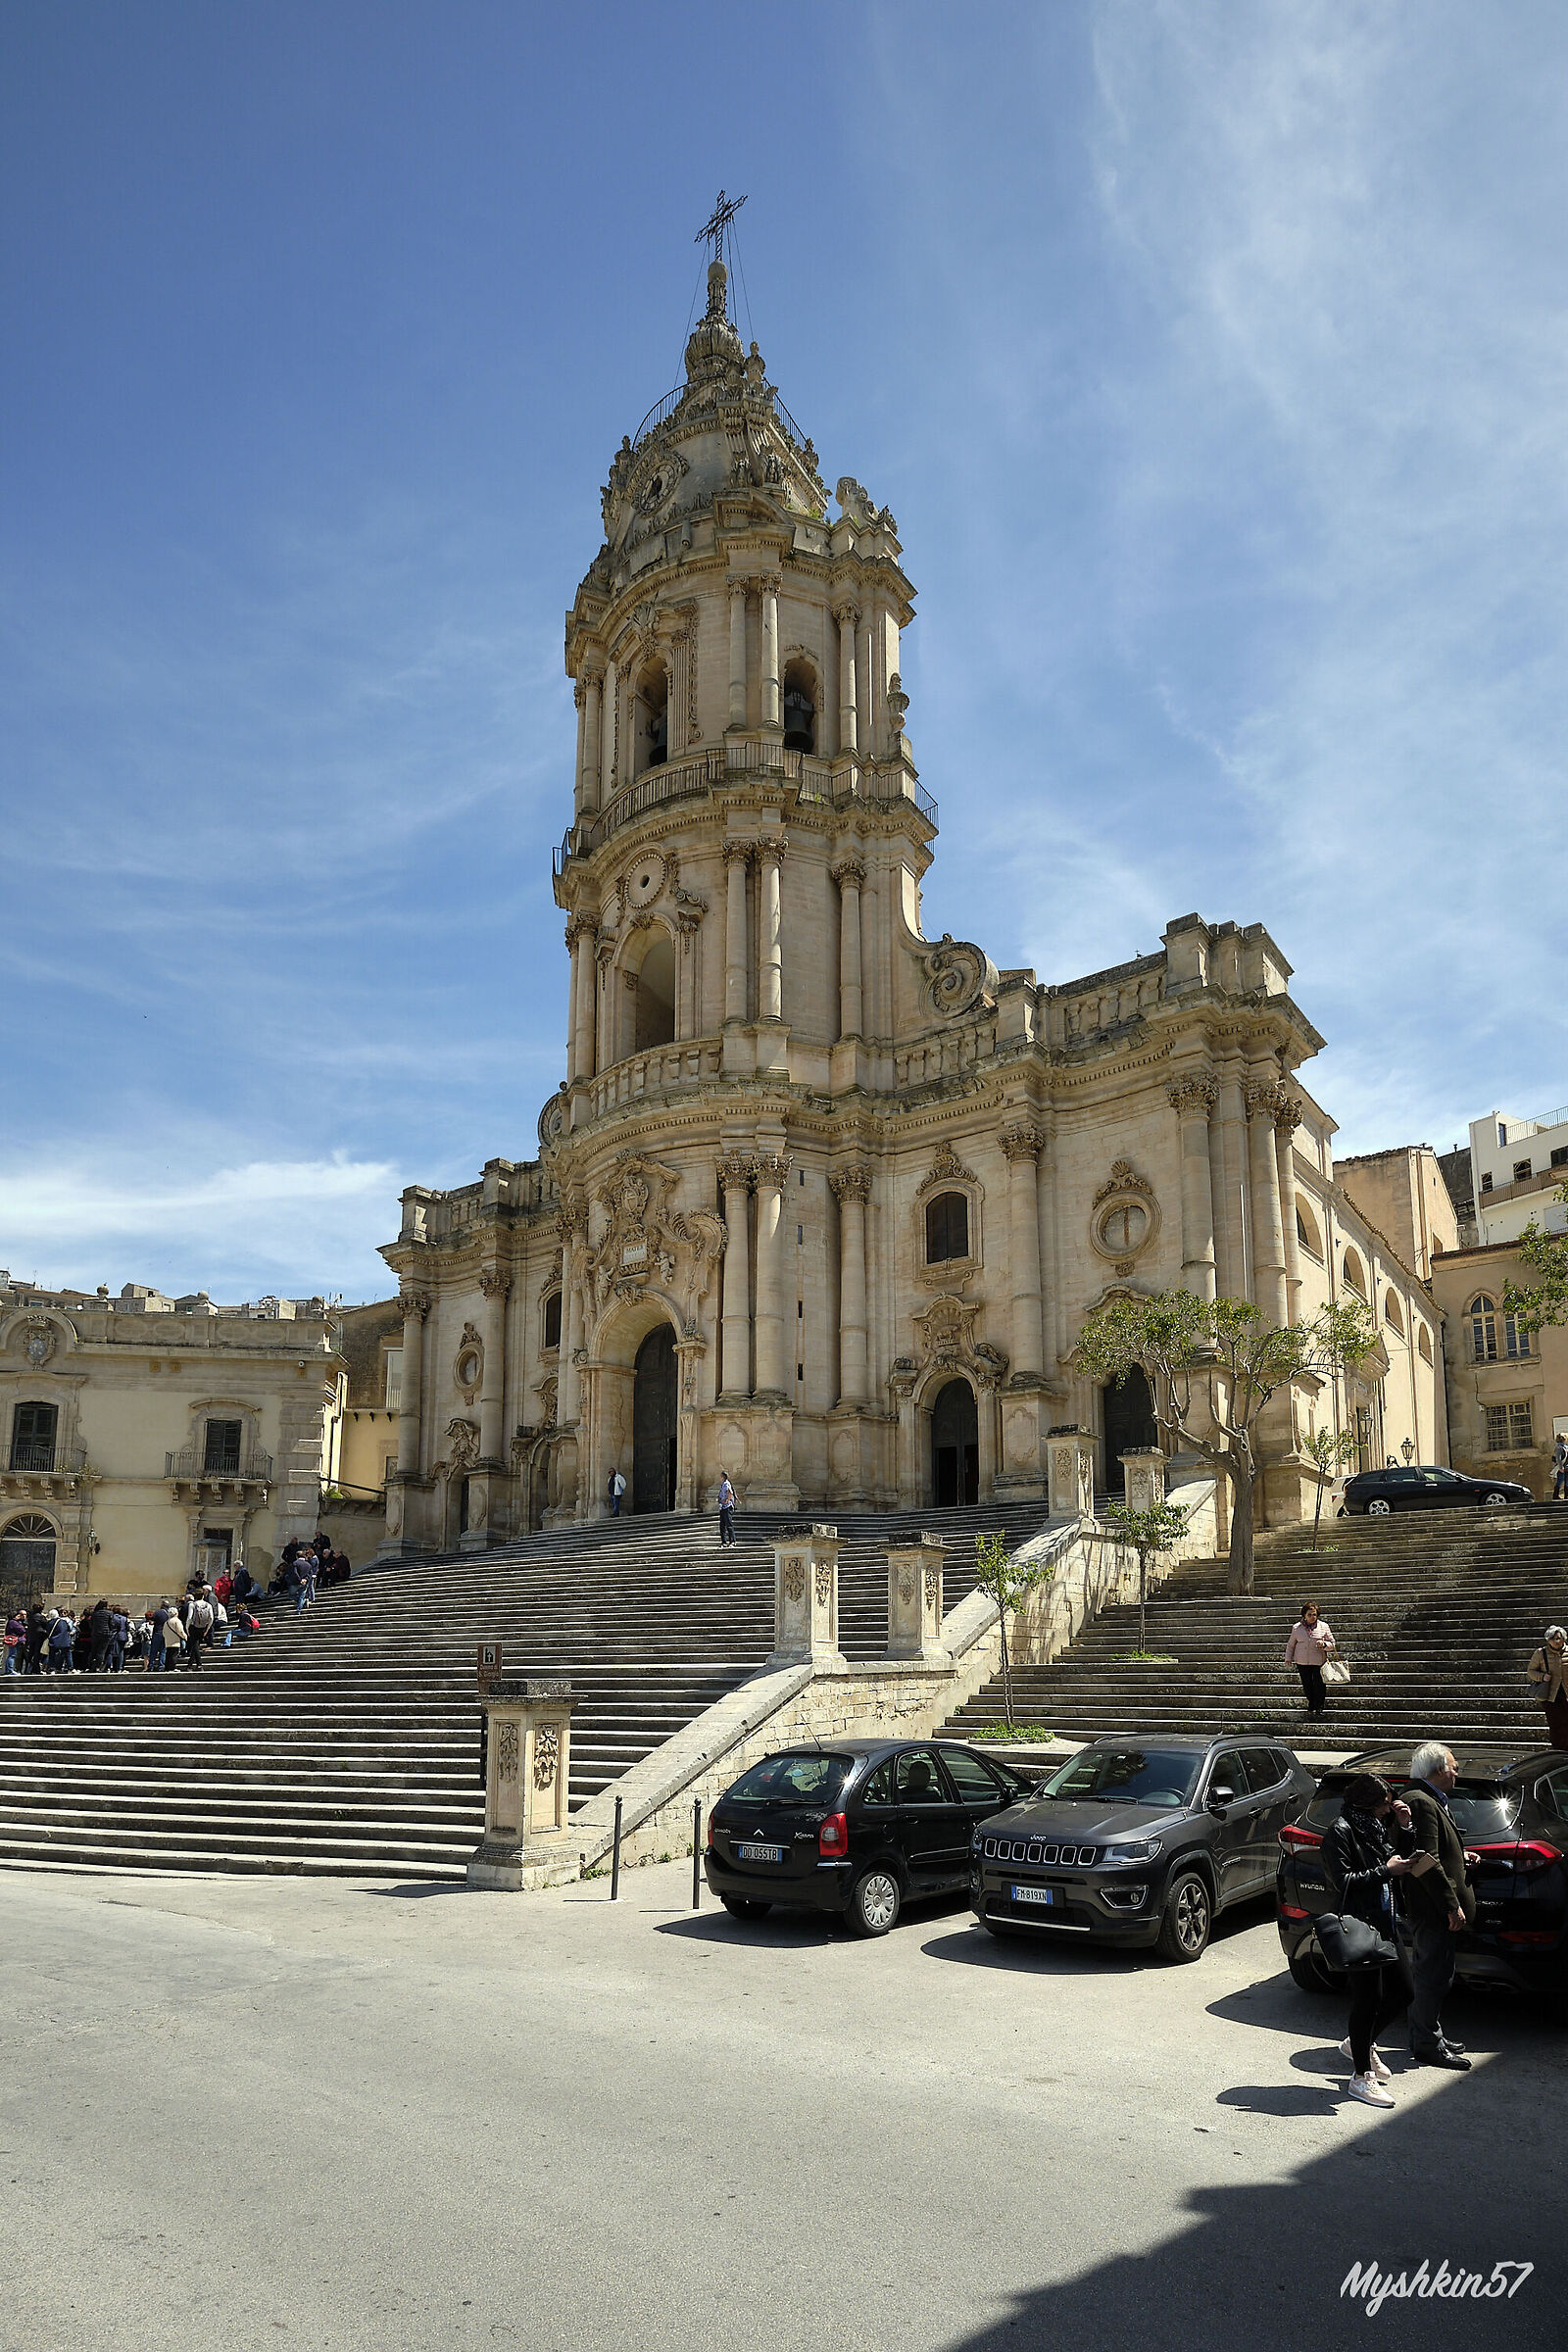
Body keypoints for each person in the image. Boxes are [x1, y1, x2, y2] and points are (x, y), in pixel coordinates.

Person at [1322, 1771, 1417, 2109]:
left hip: (1385, 1923)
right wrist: (1385, 1871)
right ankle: (1361, 2077)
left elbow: (1396, 1861)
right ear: (1368, 1803)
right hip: (1358, 1925)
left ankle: (1359, 2044)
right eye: (1386, 1804)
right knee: (1368, 2000)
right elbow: (1343, 1881)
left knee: (1404, 1991)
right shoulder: (1340, 1831)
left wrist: (1405, 1829)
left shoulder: (1373, 1828)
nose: (1389, 1809)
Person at [1400, 1742, 1475, 2071]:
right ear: (1440, 1769)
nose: (1458, 1772)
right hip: (1432, 1908)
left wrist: (1462, 1857)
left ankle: (1430, 2036)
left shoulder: (1425, 1798)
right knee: (1433, 1977)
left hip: (1431, 1906)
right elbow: (1424, 1861)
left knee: (1434, 1974)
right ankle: (1427, 2044)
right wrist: (1450, 1905)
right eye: (1454, 1766)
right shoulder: (1422, 1801)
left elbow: (1436, 1851)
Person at [1283, 1601, 1337, 1719]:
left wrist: (1324, 1644)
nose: (1313, 1617)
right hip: (1302, 1661)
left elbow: (1333, 1644)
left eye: (1315, 1615)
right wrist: (1288, 1657)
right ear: (1304, 1615)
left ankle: (1319, 1706)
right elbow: (1291, 1644)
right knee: (1307, 1685)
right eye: (1310, 1615)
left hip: (1318, 1660)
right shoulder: (1297, 1628)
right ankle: (1311, 1702)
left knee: (1319, 1684)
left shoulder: (1323, 1626)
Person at [1527, 1626, 1568, 1751]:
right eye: (1551, 1639)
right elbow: (1531, 1671)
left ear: (1563, 1639)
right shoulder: (1540, 1653)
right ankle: (1559, 1751)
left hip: (1566, 1693)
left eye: (1558, 1638)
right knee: (1556, 1725)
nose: (1555, 1641)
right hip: (1551, 1696)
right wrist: (1542, 1677)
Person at [47, 1610, 75, 1674]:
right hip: (64, 1641)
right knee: (67, 1654)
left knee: (52, 1655)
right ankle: (70, 1668)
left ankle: (52, 1669)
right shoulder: (63, 1622)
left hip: (54, 1641)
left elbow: (48, 1631)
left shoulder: (50, 1623)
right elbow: (69, 1629)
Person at [716, 1471, 736, 1548]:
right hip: (723, 1507)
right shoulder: (723, 1484)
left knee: (728, 1524)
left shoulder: (726, 1484)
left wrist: (727, 1500)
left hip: (727, 1507)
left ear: (723, 1477)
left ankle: (732, 1541)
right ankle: (724, 1542)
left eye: (720, 1476)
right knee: (722, 1525)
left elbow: (730, 1492)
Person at [4, 1608, 24, 1675]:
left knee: (11, 1655)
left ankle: (8, 1670)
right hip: (14, 1640)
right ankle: (10, 1670)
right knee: (12, 1655)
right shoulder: (14, 1622)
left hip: (11, 1639)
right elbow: (22, 1630)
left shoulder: (10, 1622)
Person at [1553, 1434, 1568, 1502]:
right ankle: (1555, 1495)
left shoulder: (1565, 1447)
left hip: (1566, 1466)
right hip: (1562, 1466)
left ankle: (1566, 1495)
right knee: (1560, 1480)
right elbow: (1558, 1458)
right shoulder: (1559, 1447)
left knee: (1567, 1481)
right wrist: (1560, 1467)